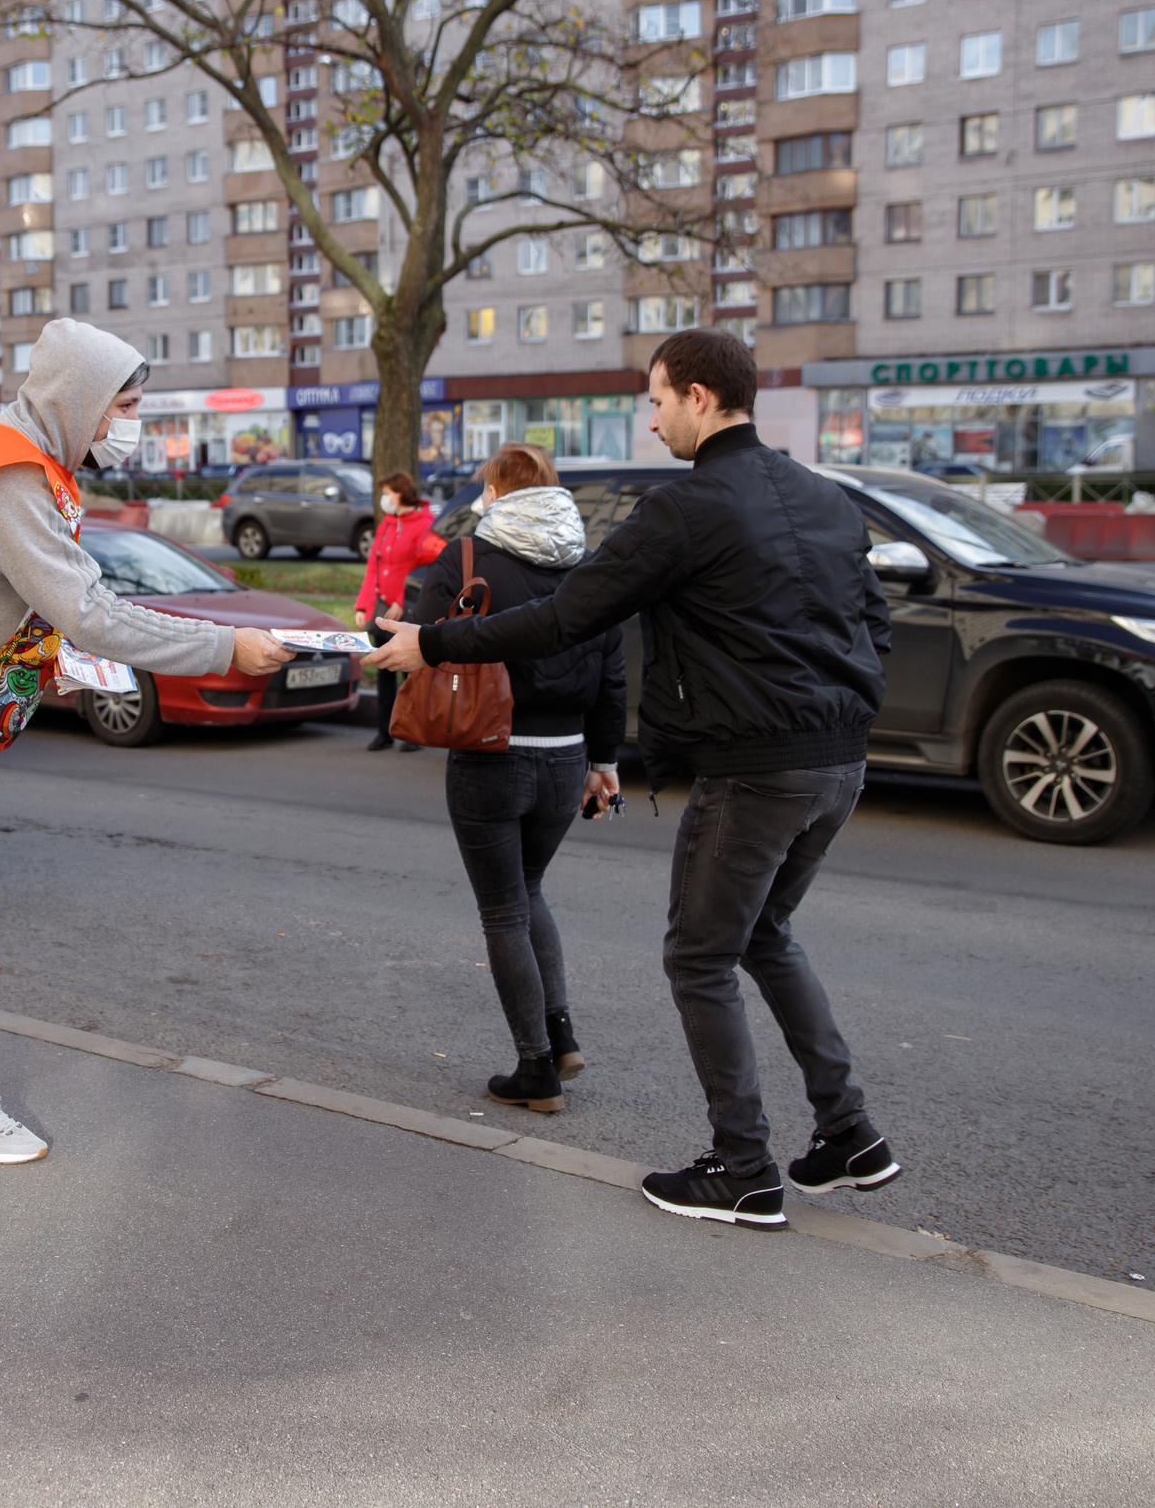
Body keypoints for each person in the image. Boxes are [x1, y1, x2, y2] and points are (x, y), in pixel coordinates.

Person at [366, 330, 900, 1230]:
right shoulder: (829, 499)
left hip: (756, 770)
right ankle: (850, 1135)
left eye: (655, 401)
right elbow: (873, 626)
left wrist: (434, 641)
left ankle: (743, 1169)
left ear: (698, 395)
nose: (649, 422)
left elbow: (565, 618)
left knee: (699, 956)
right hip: (838, 764)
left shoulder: (684, 511)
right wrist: (839, 712)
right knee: (764, 933)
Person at [0, 317, 293, 1163]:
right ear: (82, 402)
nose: (131, 423)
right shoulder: (14, 484)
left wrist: (43, 665)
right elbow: (93, 613)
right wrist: (227, 646)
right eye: (127, 405)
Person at [408, 445, 623, 1111]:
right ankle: (560, 1036)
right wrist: (605, 763)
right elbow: (613, 675)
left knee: (504, 909)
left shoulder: (468, 558)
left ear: (496, 491)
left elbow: (424, 638)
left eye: (485, 489)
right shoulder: (589, 568)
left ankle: (536, 1068)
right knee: (530, 892)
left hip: (488, 754)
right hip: (566, 758)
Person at [352, 470, 444, 751]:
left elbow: (429, 568)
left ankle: (412, 732)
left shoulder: (425, 523)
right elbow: (374, 567)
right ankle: (385, 730)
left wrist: (403, 602)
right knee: (383, 669)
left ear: (402, 493)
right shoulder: (387, 524)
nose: (384, 499)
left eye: (388, 493)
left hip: (408, 611)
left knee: (409, 673)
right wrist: (362, 605)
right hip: (381, 610)